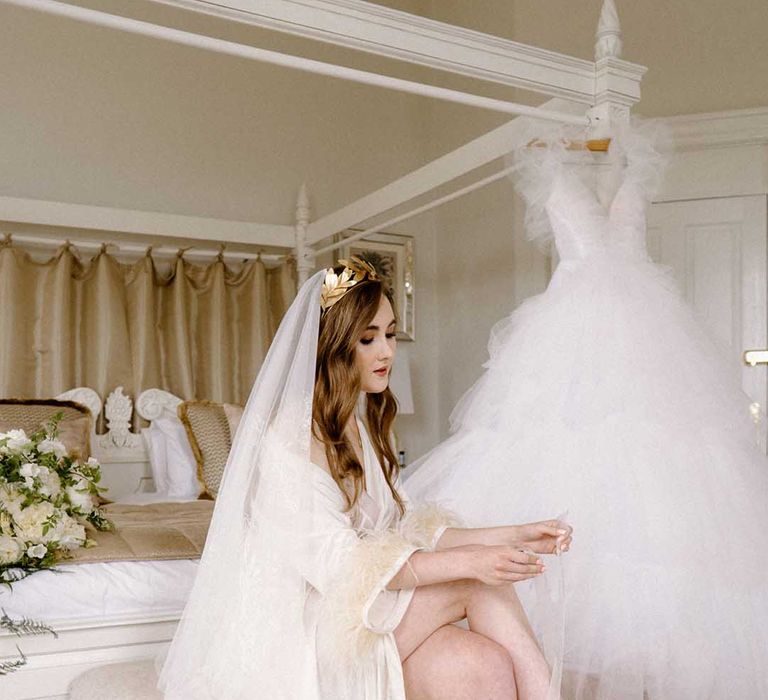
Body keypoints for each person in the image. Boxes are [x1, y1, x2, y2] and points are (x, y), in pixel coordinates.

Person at [404, 121, 768, 700]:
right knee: (576, 467)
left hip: (646, 342)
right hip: (573, 340)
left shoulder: (636, 158)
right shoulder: (547, 159)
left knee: (657, 486)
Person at [157, 255, 572, 700]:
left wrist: (513, 534)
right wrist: (471, 562)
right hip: (316, 634)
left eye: (390, 335)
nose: (387, 351)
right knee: (477, 580)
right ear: (334, 346)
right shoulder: (287, 442)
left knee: (482, 666)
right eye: (368, 339)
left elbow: (406, 526)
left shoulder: (361, 422)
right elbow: (343, 568)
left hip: (372, 606)